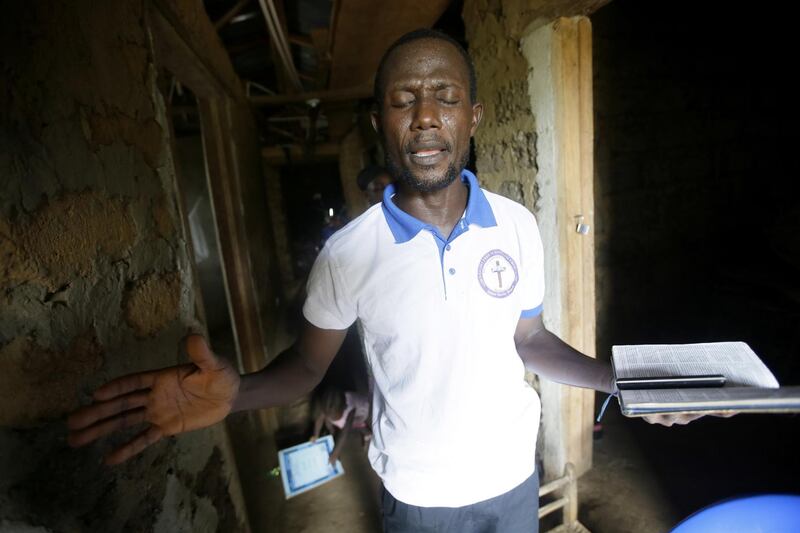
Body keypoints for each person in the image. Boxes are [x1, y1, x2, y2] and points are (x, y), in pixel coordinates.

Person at [67, 29, 697, 532]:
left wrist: (621, 380)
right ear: (378, 120)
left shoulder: (517, 225)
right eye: (403, 100)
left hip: (511, 478)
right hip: (416, 497)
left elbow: (529, 339)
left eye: (445, 97)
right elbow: (308, 370)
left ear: (473, 116)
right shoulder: (347, 253)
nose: (425, 116)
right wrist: (237, 394)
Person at [310, 385, 371, 465]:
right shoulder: (327, 407)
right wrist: (316, 435)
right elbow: (319, 420)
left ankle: (368, 433)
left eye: (334, 417)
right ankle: (332, 431)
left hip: (360, 411)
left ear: (344, 407)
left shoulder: (350, 409)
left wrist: (335, 454)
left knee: (356, 425)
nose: (331, 419)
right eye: (328, 415)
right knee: (328, 421)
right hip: (343, 413)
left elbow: (344, 433)